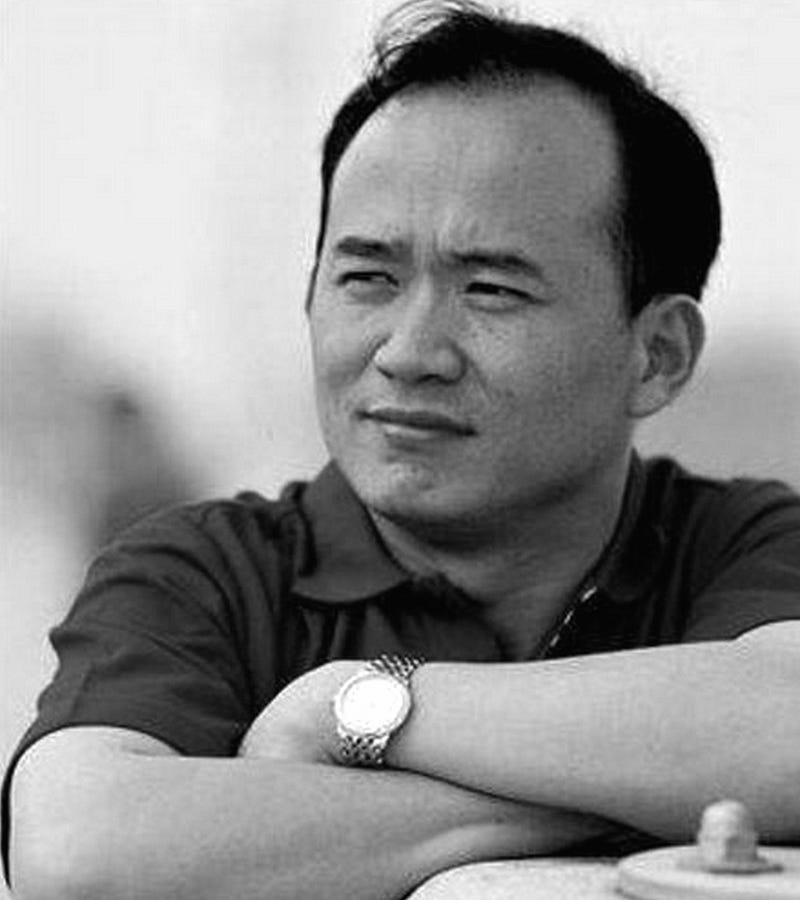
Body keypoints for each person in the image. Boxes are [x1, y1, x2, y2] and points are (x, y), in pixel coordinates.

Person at [5, 2, 800, 898]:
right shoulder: (203, 577)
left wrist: (354, 705)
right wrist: (632, 794)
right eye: (368, 278)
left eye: (492, 288)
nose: (410, 351)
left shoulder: (747, 544)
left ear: (657, 355)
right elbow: (80, 853)